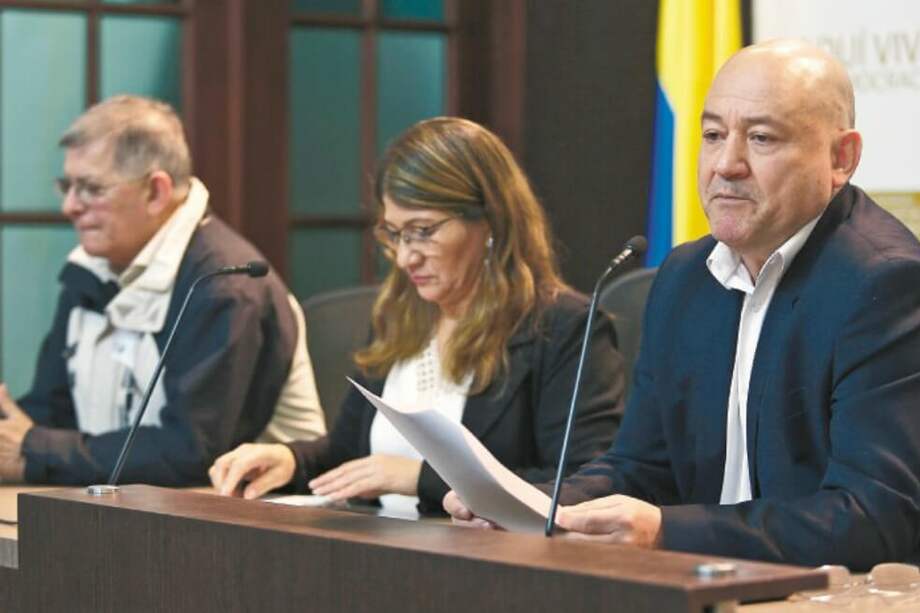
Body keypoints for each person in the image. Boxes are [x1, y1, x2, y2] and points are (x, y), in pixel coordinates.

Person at [446, 40, 920, 570]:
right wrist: (531, 506)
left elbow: (874, 518)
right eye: (713, 135)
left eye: (761, 138)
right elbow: (641, 466)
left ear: (841, 158)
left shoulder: (886, 283)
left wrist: (665, 531)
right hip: (699, 581)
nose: (726, 165)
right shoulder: (686, 276)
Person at [209, 117, 625, 514]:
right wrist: (290, 460)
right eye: (394, 234)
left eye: (423, 231)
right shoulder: (400, 316)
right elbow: (351, 455)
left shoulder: (564, 328)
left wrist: (421, 479)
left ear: (491, 221)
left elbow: (583, 486)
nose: (406, 256)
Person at [0, 95, 326, 485]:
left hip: (248, 514)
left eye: (91, 189)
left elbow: (191, 452)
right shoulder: (90, 268)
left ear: (156, 192)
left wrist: (38, 449)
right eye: (66, 186)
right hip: (118, 505)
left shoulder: (226, 286)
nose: (70, 207)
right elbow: (50, 414)